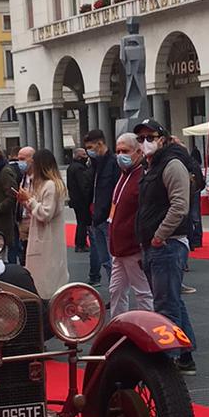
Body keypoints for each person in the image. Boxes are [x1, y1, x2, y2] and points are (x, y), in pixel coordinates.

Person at [133, 118, 196, 373]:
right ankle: (185, 355)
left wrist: (159, 236)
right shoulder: (151, 166)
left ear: (162, 137)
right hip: (156, 244)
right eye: (141, 138)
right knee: (173, 302)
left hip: (167, 244)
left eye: (150, 137)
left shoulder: (171, 165)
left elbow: (180, 205)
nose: (145, 143)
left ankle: (167, 362)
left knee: (165, 305)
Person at [108, 132, 154, 317]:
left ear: (138, 152)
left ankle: (149, 328)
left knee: (142, 292)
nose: (120, 155)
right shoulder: (124, 175)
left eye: (125, 151)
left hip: (133, 246)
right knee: (115, 290)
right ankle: (118, 325)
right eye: (118, 151)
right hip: (118, 247)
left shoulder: (140, 177)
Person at [18, 148, 68, 300]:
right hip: (42, 238)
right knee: (41, 276)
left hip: (48, 240)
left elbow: (45, 213)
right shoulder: (44, 184)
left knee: (47, 279)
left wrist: (30, 200)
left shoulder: (51, 185)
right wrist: (25, 201)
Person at [84, 128, 117, 289]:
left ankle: (117, 293)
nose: (89, 151)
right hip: (96, 217)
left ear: (100, 143)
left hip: (107, 218)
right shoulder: (95, 165)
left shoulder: (112, 163)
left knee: (112, 261)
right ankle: (113, 291)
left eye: (91, 147)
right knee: (105, 260)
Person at [66, 147, 94, 252]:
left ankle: (80, 243)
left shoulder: (71, 167)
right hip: (81, 201)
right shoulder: (79, 168)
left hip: (75, 200)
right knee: (83, 223)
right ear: (78, 156)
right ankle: (81, 244)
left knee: (80, 222)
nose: (86, 157)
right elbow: (83, 185)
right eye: (84, 155)